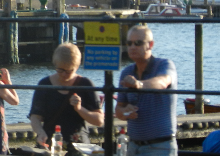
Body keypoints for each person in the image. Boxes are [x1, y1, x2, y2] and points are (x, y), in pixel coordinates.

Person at [115, 25, 177, 156]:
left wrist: (139, 84)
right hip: (133, 145)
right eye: (129, 43)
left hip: (160, 146)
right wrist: (124, 112)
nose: (132, 47)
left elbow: (162, 81)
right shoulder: (126, 72)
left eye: (138, 43)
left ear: (150, 45)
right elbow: (118, 110)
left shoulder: (164, 65)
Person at [30, 43, 103, 154]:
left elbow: (99, 121)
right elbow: (35, 116)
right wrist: (40, 132)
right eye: (60, 70)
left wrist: (79, 108)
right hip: (51, 146)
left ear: (77, 67)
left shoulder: (85, 84)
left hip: (79, 147)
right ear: (55, 65)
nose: (64, 74)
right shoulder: (44, 84)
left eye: (69, 71)